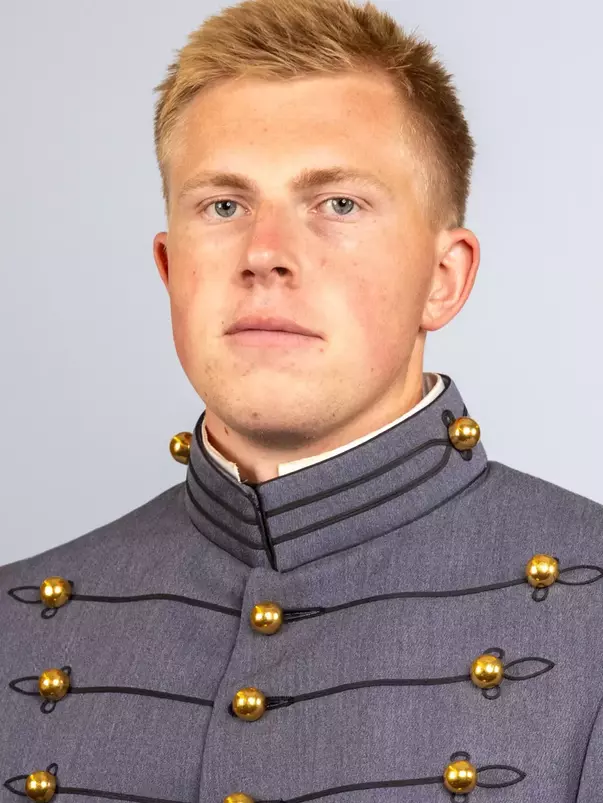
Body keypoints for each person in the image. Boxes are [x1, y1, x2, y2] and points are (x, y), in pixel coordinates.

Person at [1, 0, 601, 801]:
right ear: (170, 267)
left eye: (338, 203)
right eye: (223, 205)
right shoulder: (15, 620)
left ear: (443, 277)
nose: (265, 254)